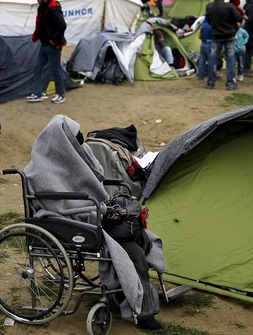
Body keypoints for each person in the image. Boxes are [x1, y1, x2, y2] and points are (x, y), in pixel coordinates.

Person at [23, 115, 164, 331]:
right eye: (75, 139)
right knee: (134, 253)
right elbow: (61, 205)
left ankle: (134, 294)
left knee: (139, 240)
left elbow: (93, 182)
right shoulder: (41, 169)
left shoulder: (74, 157)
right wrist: (97, 210)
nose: (80, 143)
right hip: (75, 222)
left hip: (95, 215)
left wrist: (103, 208)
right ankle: (144, 310)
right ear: (61, 141)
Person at [27, 0, 68, 104]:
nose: (37, 0)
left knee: (56, 70)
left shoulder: (53, 9)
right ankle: (38, 93)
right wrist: (36, 37)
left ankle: (61, 94)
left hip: (53, 46)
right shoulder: (41, 8)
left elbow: (62, 25)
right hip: (44, 45)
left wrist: (54, 39)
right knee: (37, 68)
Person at [206, 0, 243, 90]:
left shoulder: (209, 7)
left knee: (213, 58)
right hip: (229, 36)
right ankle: (230, 83)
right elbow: (239, 18)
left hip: (216, 36)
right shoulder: (229, 6)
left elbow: (208, 21)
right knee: (230, 59)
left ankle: (210, 82)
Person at [196, 16, 212, 80]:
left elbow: (199, 36)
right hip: (210, 44)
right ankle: (211, 75)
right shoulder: (212, 26)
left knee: (202, 60)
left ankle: (200, 75)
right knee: (211, 61)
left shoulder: (203, 26)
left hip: (203, 44)